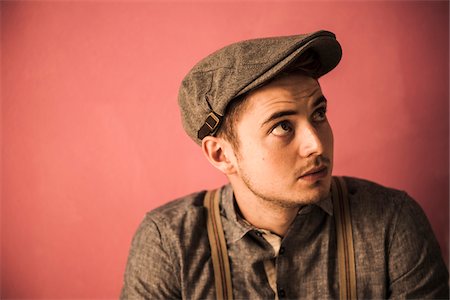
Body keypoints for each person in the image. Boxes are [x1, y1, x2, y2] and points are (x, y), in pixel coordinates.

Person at [120, 30, 449, 299]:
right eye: (282, 126)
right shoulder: (169, 242)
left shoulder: (391, 222)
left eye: (318, 114)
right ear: (221, 154)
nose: (316, 145)